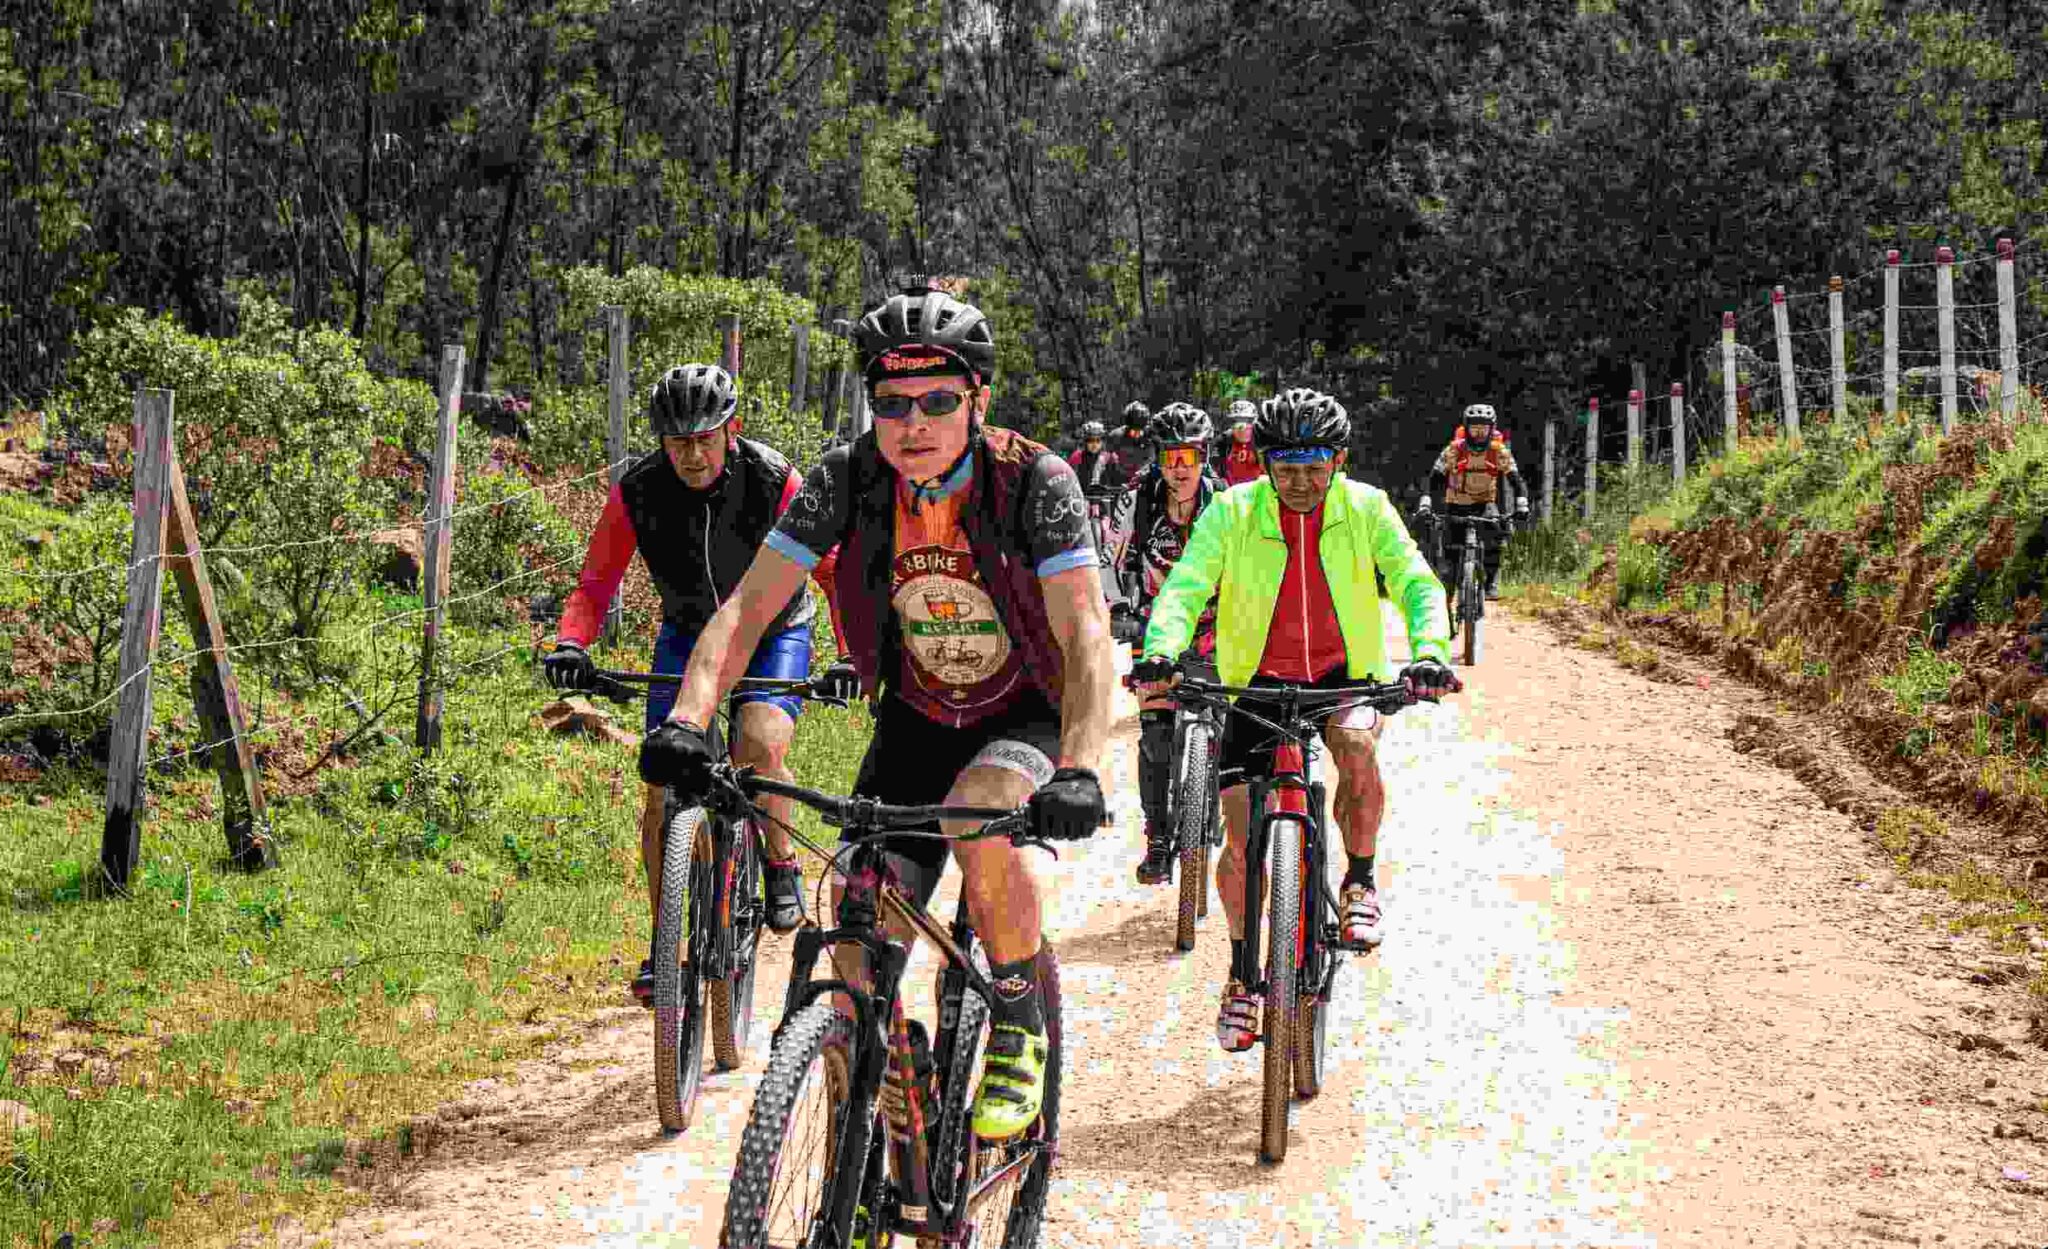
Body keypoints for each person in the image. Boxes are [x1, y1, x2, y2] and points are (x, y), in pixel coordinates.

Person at [639, 283, 1115, 1141]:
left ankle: (1016, 1014)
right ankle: (868, 1152)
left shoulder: (1033, 481)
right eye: (891, 404)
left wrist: (1081, 766)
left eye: (938, 399)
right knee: (857, 951)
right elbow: (747, 608)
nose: (913, 423)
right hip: (916, 724)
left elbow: (1084, 629)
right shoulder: (844, 481)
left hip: (1025, 714)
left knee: (978, 815)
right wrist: (688, 714)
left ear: (978, 399)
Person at [1132, 387, 1459, 1053]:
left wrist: (1428, 652)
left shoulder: (1366, 508)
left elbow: (1417, 582)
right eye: (1287, 471)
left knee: (1357, 743)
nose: (1303, 484)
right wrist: (1160, 647)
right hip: (1252, 681)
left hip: (1346, 675)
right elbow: (1186, 585)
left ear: (1338, 459)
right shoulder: (1231, 511)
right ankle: (1241, 975)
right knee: (1241, 832)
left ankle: (1360, 880)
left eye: (1316, 469)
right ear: (1267, 463)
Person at [544, 363, 825, 1005]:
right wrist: (571, 644)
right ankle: (664, 946)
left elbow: (831, 569)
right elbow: (594, 585)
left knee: (759, 739)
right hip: (686, 636)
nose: (693, 455)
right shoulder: (637, 490)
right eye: (678, 442)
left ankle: (780, 863)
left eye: (705, 438)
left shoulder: (777, 481)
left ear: (732, 431)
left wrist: (866, 658)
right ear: (660, 441)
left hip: (772, 629)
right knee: (660, 784)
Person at [1111, 402, 1227, 884]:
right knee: (1156, 736)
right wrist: (1120, 609)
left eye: (1190, 457)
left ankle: (1215, 796)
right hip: (1155, 627)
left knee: (1225, 720)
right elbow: (1109, 561)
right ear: (1157, 459)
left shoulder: (1225, 501)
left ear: (1205, 457)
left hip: (1215, 626)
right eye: (1169, 457)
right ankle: (1158, 839)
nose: (1180, 469)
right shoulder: (1136, 500)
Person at [1420, 403, 1528, 600]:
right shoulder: (1454, 450)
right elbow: (1434, 478)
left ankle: (1491, 581)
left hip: (1485, 504)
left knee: (1496, 533)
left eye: (1484, 429)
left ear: (1491, 429)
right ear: (1467, 428)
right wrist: (1426, 501)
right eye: (1475, 428)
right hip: (1456, 505)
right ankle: (1449, 591)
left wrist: (1522, 503)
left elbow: (1515, 479)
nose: (1479, 434)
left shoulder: (1498, 451)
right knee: (1450, 559)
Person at [1216, 400, 1264, 486]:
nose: (1243, 427)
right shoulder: (1224, 440)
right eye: (1237, 421)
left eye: (1248, 421)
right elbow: (1214, 465)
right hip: (1230, 490)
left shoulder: (1261, 439)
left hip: (1257, 489)